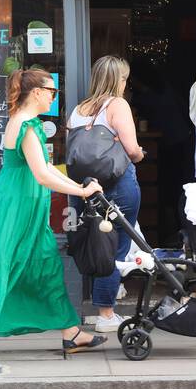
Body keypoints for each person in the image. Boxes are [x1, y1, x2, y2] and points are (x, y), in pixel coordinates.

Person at [0, 69, 108, 362]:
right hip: (14, 211)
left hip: (26, 211)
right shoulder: (26, 126)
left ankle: (71, 332)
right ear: (35, 93)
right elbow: (42, 175)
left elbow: (45, 173)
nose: (53, 97)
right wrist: (83, 193)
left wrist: (80, 188)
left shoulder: (24, 123)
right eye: (51, 92)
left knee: (45, 266)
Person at [67, 55, 145, 333]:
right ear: (118, 80)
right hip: (117, 186)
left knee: (95, 244)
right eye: (124, 78)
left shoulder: (78, 109)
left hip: (84, 188)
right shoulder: (118, 105)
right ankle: (106, 314)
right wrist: (139, 155)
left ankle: (100, 306)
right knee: (117, 247)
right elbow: (132, 149)